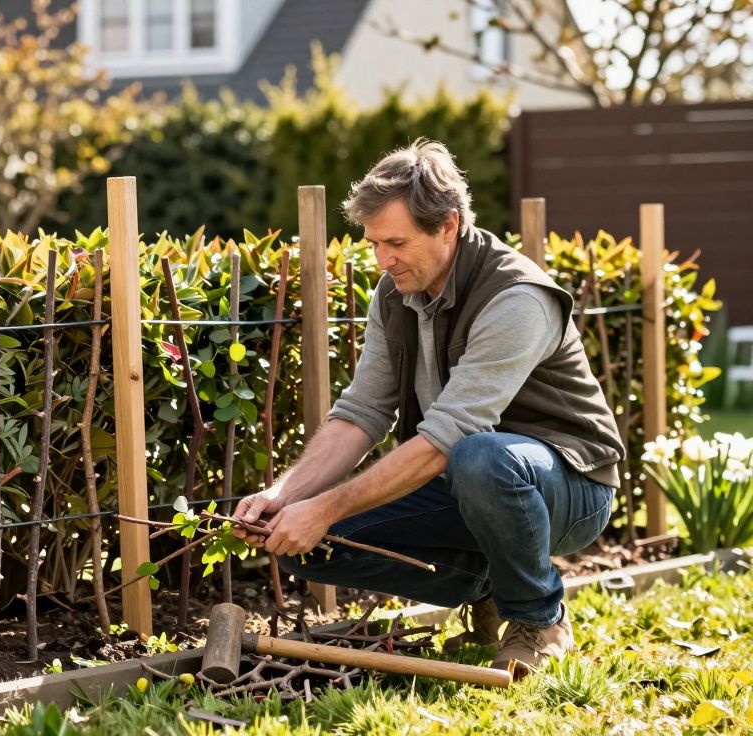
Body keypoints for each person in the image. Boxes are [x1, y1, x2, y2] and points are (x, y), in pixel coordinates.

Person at [233, 138, 624, 677]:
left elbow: (447, 439)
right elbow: (363, 412)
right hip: (468, 480)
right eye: (373, 243)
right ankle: (494, 585)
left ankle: (538, 618)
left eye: (396, 242)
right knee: (303, 542)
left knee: (479, 457)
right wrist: (286, 497)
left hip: (569, 486)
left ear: (449, 226)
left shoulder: (516, 298)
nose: (382, 259)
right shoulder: (392, 296)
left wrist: (326, 507)